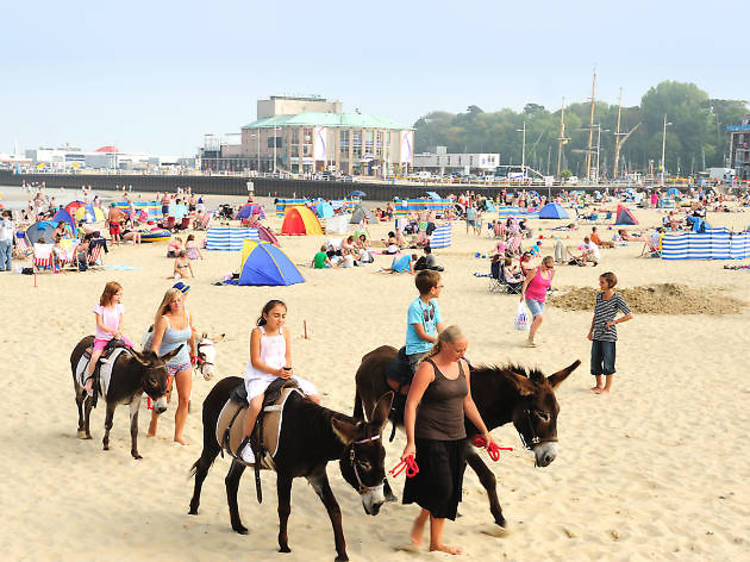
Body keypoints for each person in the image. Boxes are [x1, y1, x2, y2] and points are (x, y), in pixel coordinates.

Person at [401, 326, 497, 555]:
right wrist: (410, 442)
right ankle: (421, 521)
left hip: (457, 437)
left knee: (451, 490)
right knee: (443, 488)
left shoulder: (463, 366)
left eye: (465, 349)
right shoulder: (427, 368)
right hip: (430, 437)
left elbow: (468, 402)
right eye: (458, 349)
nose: (462, 353)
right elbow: (411, 404)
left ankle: (435, 542)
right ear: (444, 345)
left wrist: (485, 431)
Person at [239, 300, 321, 463]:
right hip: (261, 375)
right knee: (255, 406)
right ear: (265, 315)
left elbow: (287, 355)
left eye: (283, 316)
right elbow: (255, 361)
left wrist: (287, 368)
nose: (280, 320)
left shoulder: (285, 332)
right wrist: (276, 371)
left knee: (315, 398)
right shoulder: (257, 332)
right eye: (276, 316)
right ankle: (245, 441)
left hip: (282, 372)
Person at [148, 288, 196, 444]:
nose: (177, 303)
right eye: (173, 301)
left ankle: (178, 435)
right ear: (168, 303)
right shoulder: (164, 320)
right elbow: (156, 345)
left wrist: (193, 351)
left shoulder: (187, 315)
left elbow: (191, 336)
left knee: (184, 398)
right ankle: (153, 423)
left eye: (179, 300)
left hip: (184, 362)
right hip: (166, 365)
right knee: (164, 399)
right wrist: (154, 362)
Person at [85, 282, 134, 396]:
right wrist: (112, 331)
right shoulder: (100, 308)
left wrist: (118, 331)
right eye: (117, 295)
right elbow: (100, 324)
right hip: (103, 338)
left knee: (133, 349)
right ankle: (90, 379)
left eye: (121, 295)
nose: (119, 297)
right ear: (109, 294)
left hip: (116, 335)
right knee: (94, 357)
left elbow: (121, 321)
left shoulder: (119, 307)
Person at [588, 272, 633, 395]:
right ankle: (598, 385)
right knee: (595, 360)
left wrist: (614, 322)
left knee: (608, 360)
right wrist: (590, 331)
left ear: (610, 283)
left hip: (609, 335)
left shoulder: (617, 298)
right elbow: (596, 314)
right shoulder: (599, 296)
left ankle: (607, 389)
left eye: (602, 282)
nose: (600, 284)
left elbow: (629, 315)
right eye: (600, 281)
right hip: (597, 333)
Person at [405, 270, 445, 375]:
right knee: (423, 377)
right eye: (440, 286)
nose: (441, 289)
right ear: (432, 290)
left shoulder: (434, 304)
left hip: (431, 347)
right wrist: (439, 342)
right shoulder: (415, 307)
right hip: (417, 350)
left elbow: (440, 326)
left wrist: (447, 338)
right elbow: (421, 334)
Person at [520, 255, 555, 347]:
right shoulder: (535, 270)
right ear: (543, 263)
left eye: (551, 267)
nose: (549, 268)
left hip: (541, 299)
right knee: (540, 318)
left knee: (536, 319)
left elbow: (547, 285)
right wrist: (522, 294)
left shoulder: (549, 273)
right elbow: (526, 281)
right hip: (531, 297)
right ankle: (531, 339)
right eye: (548, 266)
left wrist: (552, 274)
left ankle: (530, 338)